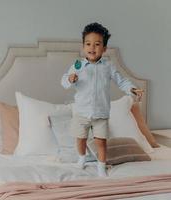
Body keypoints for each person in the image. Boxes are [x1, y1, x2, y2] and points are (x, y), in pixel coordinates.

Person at [61, 22, 143, 177]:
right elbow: (64, 81)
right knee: (80, 138)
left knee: (101, 141)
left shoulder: (108, 66)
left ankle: (101, 165)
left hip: (101, 113)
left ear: (104, 48)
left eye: (97, 44)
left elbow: (121, 81)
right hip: (81, 112)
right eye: (88, 44)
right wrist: (70, 79)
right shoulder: (77, 66)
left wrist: (132, 88)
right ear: (83, 46)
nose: (92, 48)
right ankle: (81, 159)